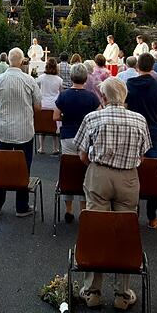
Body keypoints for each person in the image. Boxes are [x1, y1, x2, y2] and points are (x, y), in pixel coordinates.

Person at [73, 77, 151, 310]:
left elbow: (82, 154)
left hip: (99, 175)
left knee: (97, 230)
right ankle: (122, 294)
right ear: (124, 96)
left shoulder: (93, 117)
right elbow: (142, 156)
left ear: (104, 97)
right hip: (128, 177)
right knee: (124, 233)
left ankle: (92, 291)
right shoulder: (139, 119)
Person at [0, 47, 42, 217]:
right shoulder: (29, 81)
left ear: (9, 60)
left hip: (3, 129)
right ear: (22, 60)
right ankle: (21, 206)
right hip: (24, 131)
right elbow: (38, 107)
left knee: (1, 167)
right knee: (23, 168)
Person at [125, 53, 157, 229]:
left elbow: (125, 108)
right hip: (153, 131)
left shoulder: (129, 85)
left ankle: (132, 211)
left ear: (137, 67)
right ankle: (152, 216)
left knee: (132, 170)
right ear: (153, 67)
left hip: (133, 131)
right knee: (152, 173)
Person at [53, 63, 100, 222]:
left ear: (71, 77)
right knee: (84, 171)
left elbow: (55, 116)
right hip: (86, 136)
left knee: (68, 169)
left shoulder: (64, 96)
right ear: (86, 78)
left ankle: (68, 209)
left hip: (67, 135)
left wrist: (66, 117)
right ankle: (83, 209)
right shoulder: (91, 97)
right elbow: (99, 115)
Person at [35, 58, 63, 154]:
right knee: (54, 126)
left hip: (43, 104)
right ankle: (55, 148)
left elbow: (35, 86)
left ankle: (41, 147)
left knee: (42, 126)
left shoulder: (41, 78)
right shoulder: (59, 80)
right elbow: (61, 92)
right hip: (54, 106)